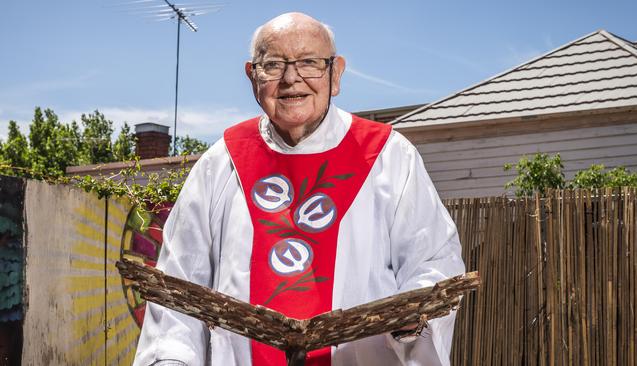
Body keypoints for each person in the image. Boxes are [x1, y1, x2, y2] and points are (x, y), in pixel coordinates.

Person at [134, 12, 465, 366]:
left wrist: (411, 323)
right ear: (252, 76)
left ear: (335, 74)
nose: (292, 79)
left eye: (309, 62)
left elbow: (432, 261)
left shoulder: (389, 157)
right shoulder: (221, 163)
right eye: (273, 64)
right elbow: (179, 288)